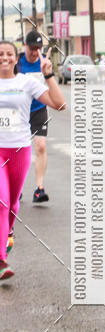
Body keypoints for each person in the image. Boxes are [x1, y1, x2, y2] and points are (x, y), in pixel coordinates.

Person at [0, 41, 66, 279]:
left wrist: (48, 75)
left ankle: (7, 232)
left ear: (15, 59)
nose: (4, 58)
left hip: (18, 150)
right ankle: (1, 261)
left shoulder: (26, 83)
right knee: (2, 201)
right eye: (0, 54)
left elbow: (59, 104)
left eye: (8, 54)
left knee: (13, 203)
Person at [16, 30, 53, 202]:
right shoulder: (18, 62)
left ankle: (39, 188)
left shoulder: (44, 61)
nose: (35, 52)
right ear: (26, 46)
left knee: (41, 147)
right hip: (19, 110)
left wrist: (48, 71)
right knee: (17, 150)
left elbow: (51, 86)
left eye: (38, 48)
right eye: (32, 48)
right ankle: (16, 187)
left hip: (39, 109)